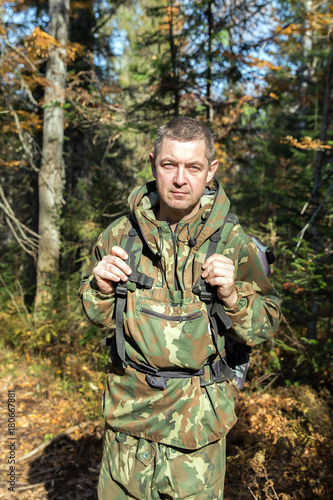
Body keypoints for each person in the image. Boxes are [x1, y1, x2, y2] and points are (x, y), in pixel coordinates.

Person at [79, 117, 281, 499]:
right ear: (153, 163)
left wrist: (234, 297)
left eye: (193, 167)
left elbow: (267, 325)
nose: (179, 179)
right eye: (169, 165)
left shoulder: (233, 243)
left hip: (198, 431)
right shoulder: (121, 234)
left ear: (211, 171)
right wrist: (100, 288)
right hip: (128, 421)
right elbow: (99, 317)